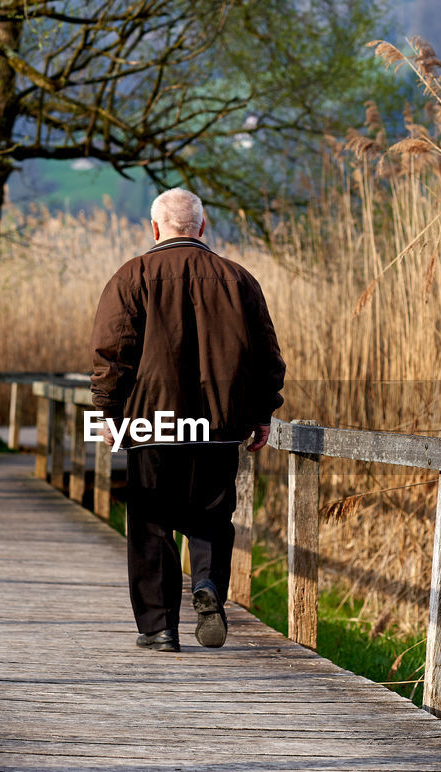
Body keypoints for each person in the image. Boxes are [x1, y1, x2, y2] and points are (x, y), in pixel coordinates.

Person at [90, 187, 286, 653]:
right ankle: (208, 586)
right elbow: (267, 358)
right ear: (201, 227)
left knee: (152, 522)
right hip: (220, 426)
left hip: (150, 425)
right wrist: (262, 413)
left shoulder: (132, 276)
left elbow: (111, 351)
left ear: (155, 229)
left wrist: (107, 412)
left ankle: (159, 629)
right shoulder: (239, 280)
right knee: (213, 516)